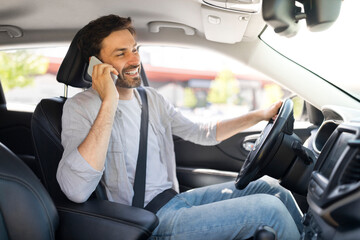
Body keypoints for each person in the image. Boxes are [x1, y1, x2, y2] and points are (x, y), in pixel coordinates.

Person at [57, 15, 303, 240]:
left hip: (174, 200)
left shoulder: (151, 98)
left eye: (135, 49)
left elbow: (202, 132)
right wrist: (108, 101)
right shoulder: (80, 108)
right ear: (95, 65)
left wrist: (260, 115)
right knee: (269, 211)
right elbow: (76, 190)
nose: (135, 60)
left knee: (272, 189)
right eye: (121, 54)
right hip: (144, 221)